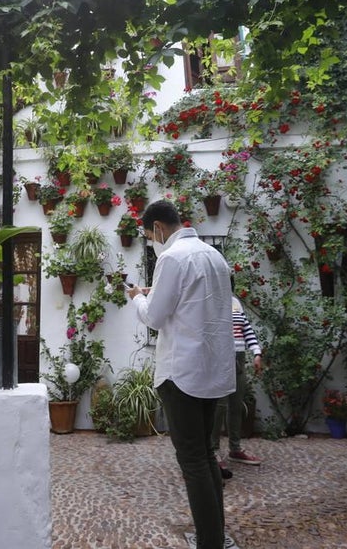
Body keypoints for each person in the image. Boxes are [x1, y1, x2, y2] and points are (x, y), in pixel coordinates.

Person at [128, 200, 235, 549]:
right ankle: (215, 535)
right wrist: (153, 294)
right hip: (212, 370)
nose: (152, 243)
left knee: (192, 460)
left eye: (149, 237)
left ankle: (209, 542)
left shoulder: (171, 258)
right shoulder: (214, 256)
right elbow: (192, 304)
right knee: (205, 455)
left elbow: (154, 317)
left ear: (158, 228)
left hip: (182, 373)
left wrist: (137, 298)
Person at [215, 296, 263, 469]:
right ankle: (213, 451)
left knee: (236, 405)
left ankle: (235, 449)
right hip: (219, 359)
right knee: (218, 407)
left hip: (239, 359)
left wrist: (256, 352)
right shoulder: (208, 298)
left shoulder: (235, 302)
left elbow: (246, 328)